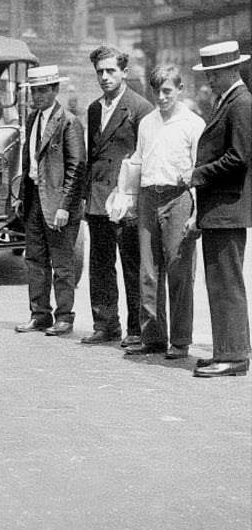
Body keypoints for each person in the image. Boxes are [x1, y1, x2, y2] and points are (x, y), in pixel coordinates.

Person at [117, 65, 205, 359]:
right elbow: (138, 162)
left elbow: (198, 173)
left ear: (180, 90)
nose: (162, 96)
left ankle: (180, 340)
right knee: (148, 271)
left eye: (167, 90)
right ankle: (153, 336)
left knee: (179, 270)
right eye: (157, 91)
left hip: (178, 198)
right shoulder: (147, 123)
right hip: (148, 197)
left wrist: (197, 213)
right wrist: (127, 198)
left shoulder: (193, 124)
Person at [181, 41, 251, 378]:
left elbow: (239, 158)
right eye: (208, 73)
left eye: (214, 73)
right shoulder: (229, 101)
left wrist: (197, 175)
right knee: (219, 284)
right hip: (220, 209)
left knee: (227, 284)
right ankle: (226, 351)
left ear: (231, 71)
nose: (209, 80)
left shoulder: (241, 104)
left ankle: (235, 356)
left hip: (228, 209)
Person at [80, 46, 154, 346]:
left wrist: (134, 199)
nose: (105, 77)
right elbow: (92, 157)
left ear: (125, 72)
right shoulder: (94, 108)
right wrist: (87, 196)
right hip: (99, 199)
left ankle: (137, 329)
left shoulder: (140, 109)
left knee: (132, 265)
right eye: (100, 71)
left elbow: (143, 158)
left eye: (111, 71)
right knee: (100, 265)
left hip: (126, 200)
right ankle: (106, 324)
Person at [13, 65, 86, 337]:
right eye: (34, 90)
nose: (37, 95)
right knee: (35, 260)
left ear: (55, 90)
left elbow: (77, 167)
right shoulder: (33, 120)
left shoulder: (68, 122)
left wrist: (65, 207)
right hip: (34, 200)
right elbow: (29, 161)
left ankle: (64, 317)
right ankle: (39, 314)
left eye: (43, 90)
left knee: (63, 264)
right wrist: (22, 197)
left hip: (58, 205)